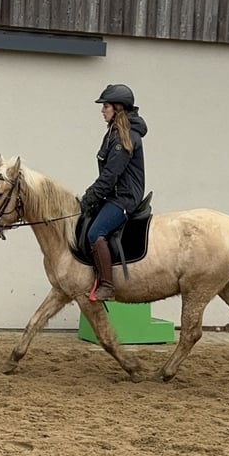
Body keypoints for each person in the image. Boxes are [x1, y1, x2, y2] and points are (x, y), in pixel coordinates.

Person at [79, 83, 148, 302]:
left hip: (125, 198)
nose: (102, 110)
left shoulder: (123, 137)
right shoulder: (113, 132)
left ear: (117, 108)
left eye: (106, 106)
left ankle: (107, 286)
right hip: (115, 194)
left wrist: (90, 197)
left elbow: (110, 175)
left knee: (94, 232)